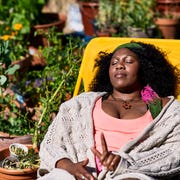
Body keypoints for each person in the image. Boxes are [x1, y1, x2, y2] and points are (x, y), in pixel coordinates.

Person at [37, 41, 180, 180]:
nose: (119, 66)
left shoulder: (165, 109)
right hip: (79, 174)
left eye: (128, 61)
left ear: (145, 68)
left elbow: (175, 151)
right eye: (114, 63)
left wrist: (126, 164)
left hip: (130, 174)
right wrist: (68, 166)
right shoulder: (81, 104)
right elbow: (51, 144)